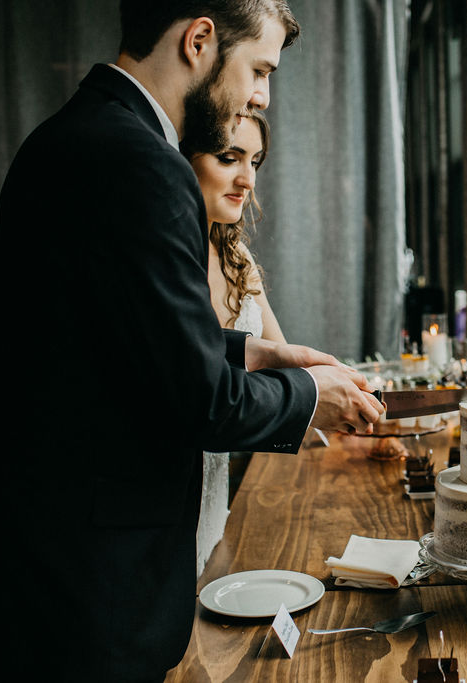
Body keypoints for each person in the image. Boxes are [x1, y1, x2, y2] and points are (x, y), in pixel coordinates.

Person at [0, 2, 383, 680]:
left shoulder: (62, 138)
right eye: (258, 69)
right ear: (198, 40)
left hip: (21, 564)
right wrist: (311, 390)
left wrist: (254, 353)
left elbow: (101, 346)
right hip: (82, 590)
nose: (262, 95)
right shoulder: (145, 164)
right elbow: (203, 405)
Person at [187, 111, 283, 576]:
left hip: (216, 486)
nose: (247, 180)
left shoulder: (236, 257)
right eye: (230, 158)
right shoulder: (163, 258)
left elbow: (281, 357)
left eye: (256, 161)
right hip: (166, 487)